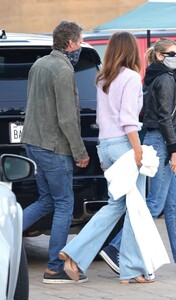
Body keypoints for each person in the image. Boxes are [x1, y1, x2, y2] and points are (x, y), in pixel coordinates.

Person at [99, 37, 176, 275]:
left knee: (174, 205)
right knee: (154, 205)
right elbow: (164, 118)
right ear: (160, 56)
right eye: (172, 53)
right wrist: (174, 152)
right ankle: (114, 247)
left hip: (156, 141)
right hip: (161, 144)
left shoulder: (152, 77)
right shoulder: (166, 79)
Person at [58, 31, 160, 284]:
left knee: (118, 205)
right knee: (134, 207)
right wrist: (138, 151)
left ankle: (80, 254)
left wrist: (105, 153)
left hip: (106, 144)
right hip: (125, 145)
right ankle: (130, 268)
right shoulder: (132, 78)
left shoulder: (102, 78)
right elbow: (128, 120)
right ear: (131, 50)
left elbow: (102, 119)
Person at [21, 20, 90, 284]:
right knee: (63, 204)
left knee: (47, 200)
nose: (81, 45)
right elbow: (67, 118)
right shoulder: (62, 69)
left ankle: (6, 231)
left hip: (34, 143)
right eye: (81, 41)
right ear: (71, 42)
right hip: (53, 146)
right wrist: (80, 151)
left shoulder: (39, 64)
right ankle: (54, 268)